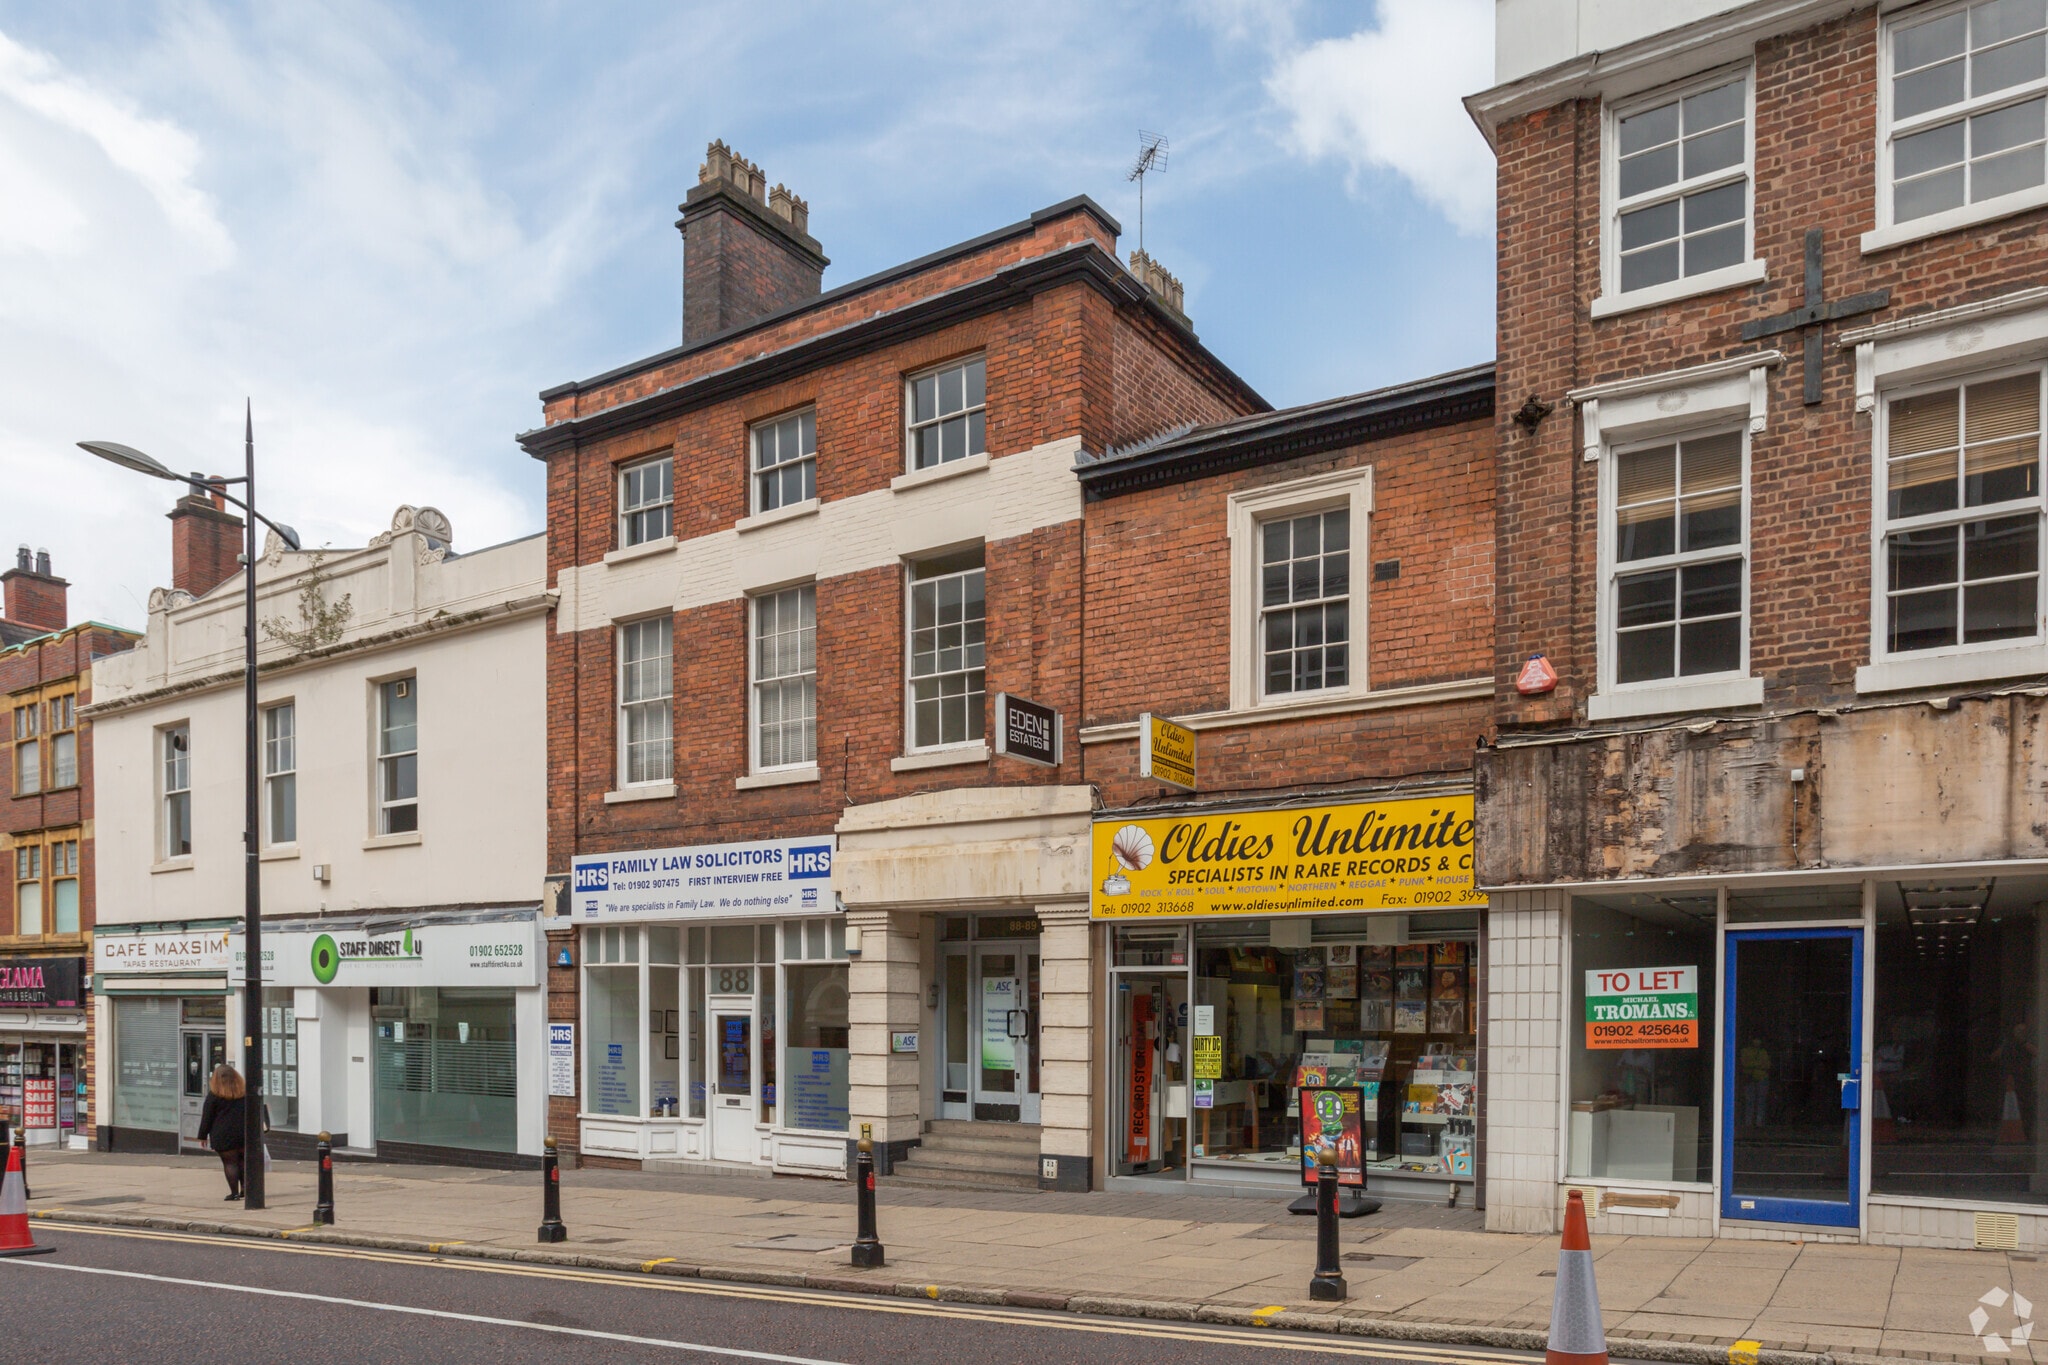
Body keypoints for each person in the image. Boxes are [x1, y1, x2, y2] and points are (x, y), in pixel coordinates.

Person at [196, 1063, 248, 1200]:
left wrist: (202, 1136)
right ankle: (246, 1189)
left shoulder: (214, 1095)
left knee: (230, 1163)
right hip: (243, 1133)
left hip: (223, 1134)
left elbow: (207, 1117)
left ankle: (234, 1193)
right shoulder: (244, 1093)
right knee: (243, 1162)